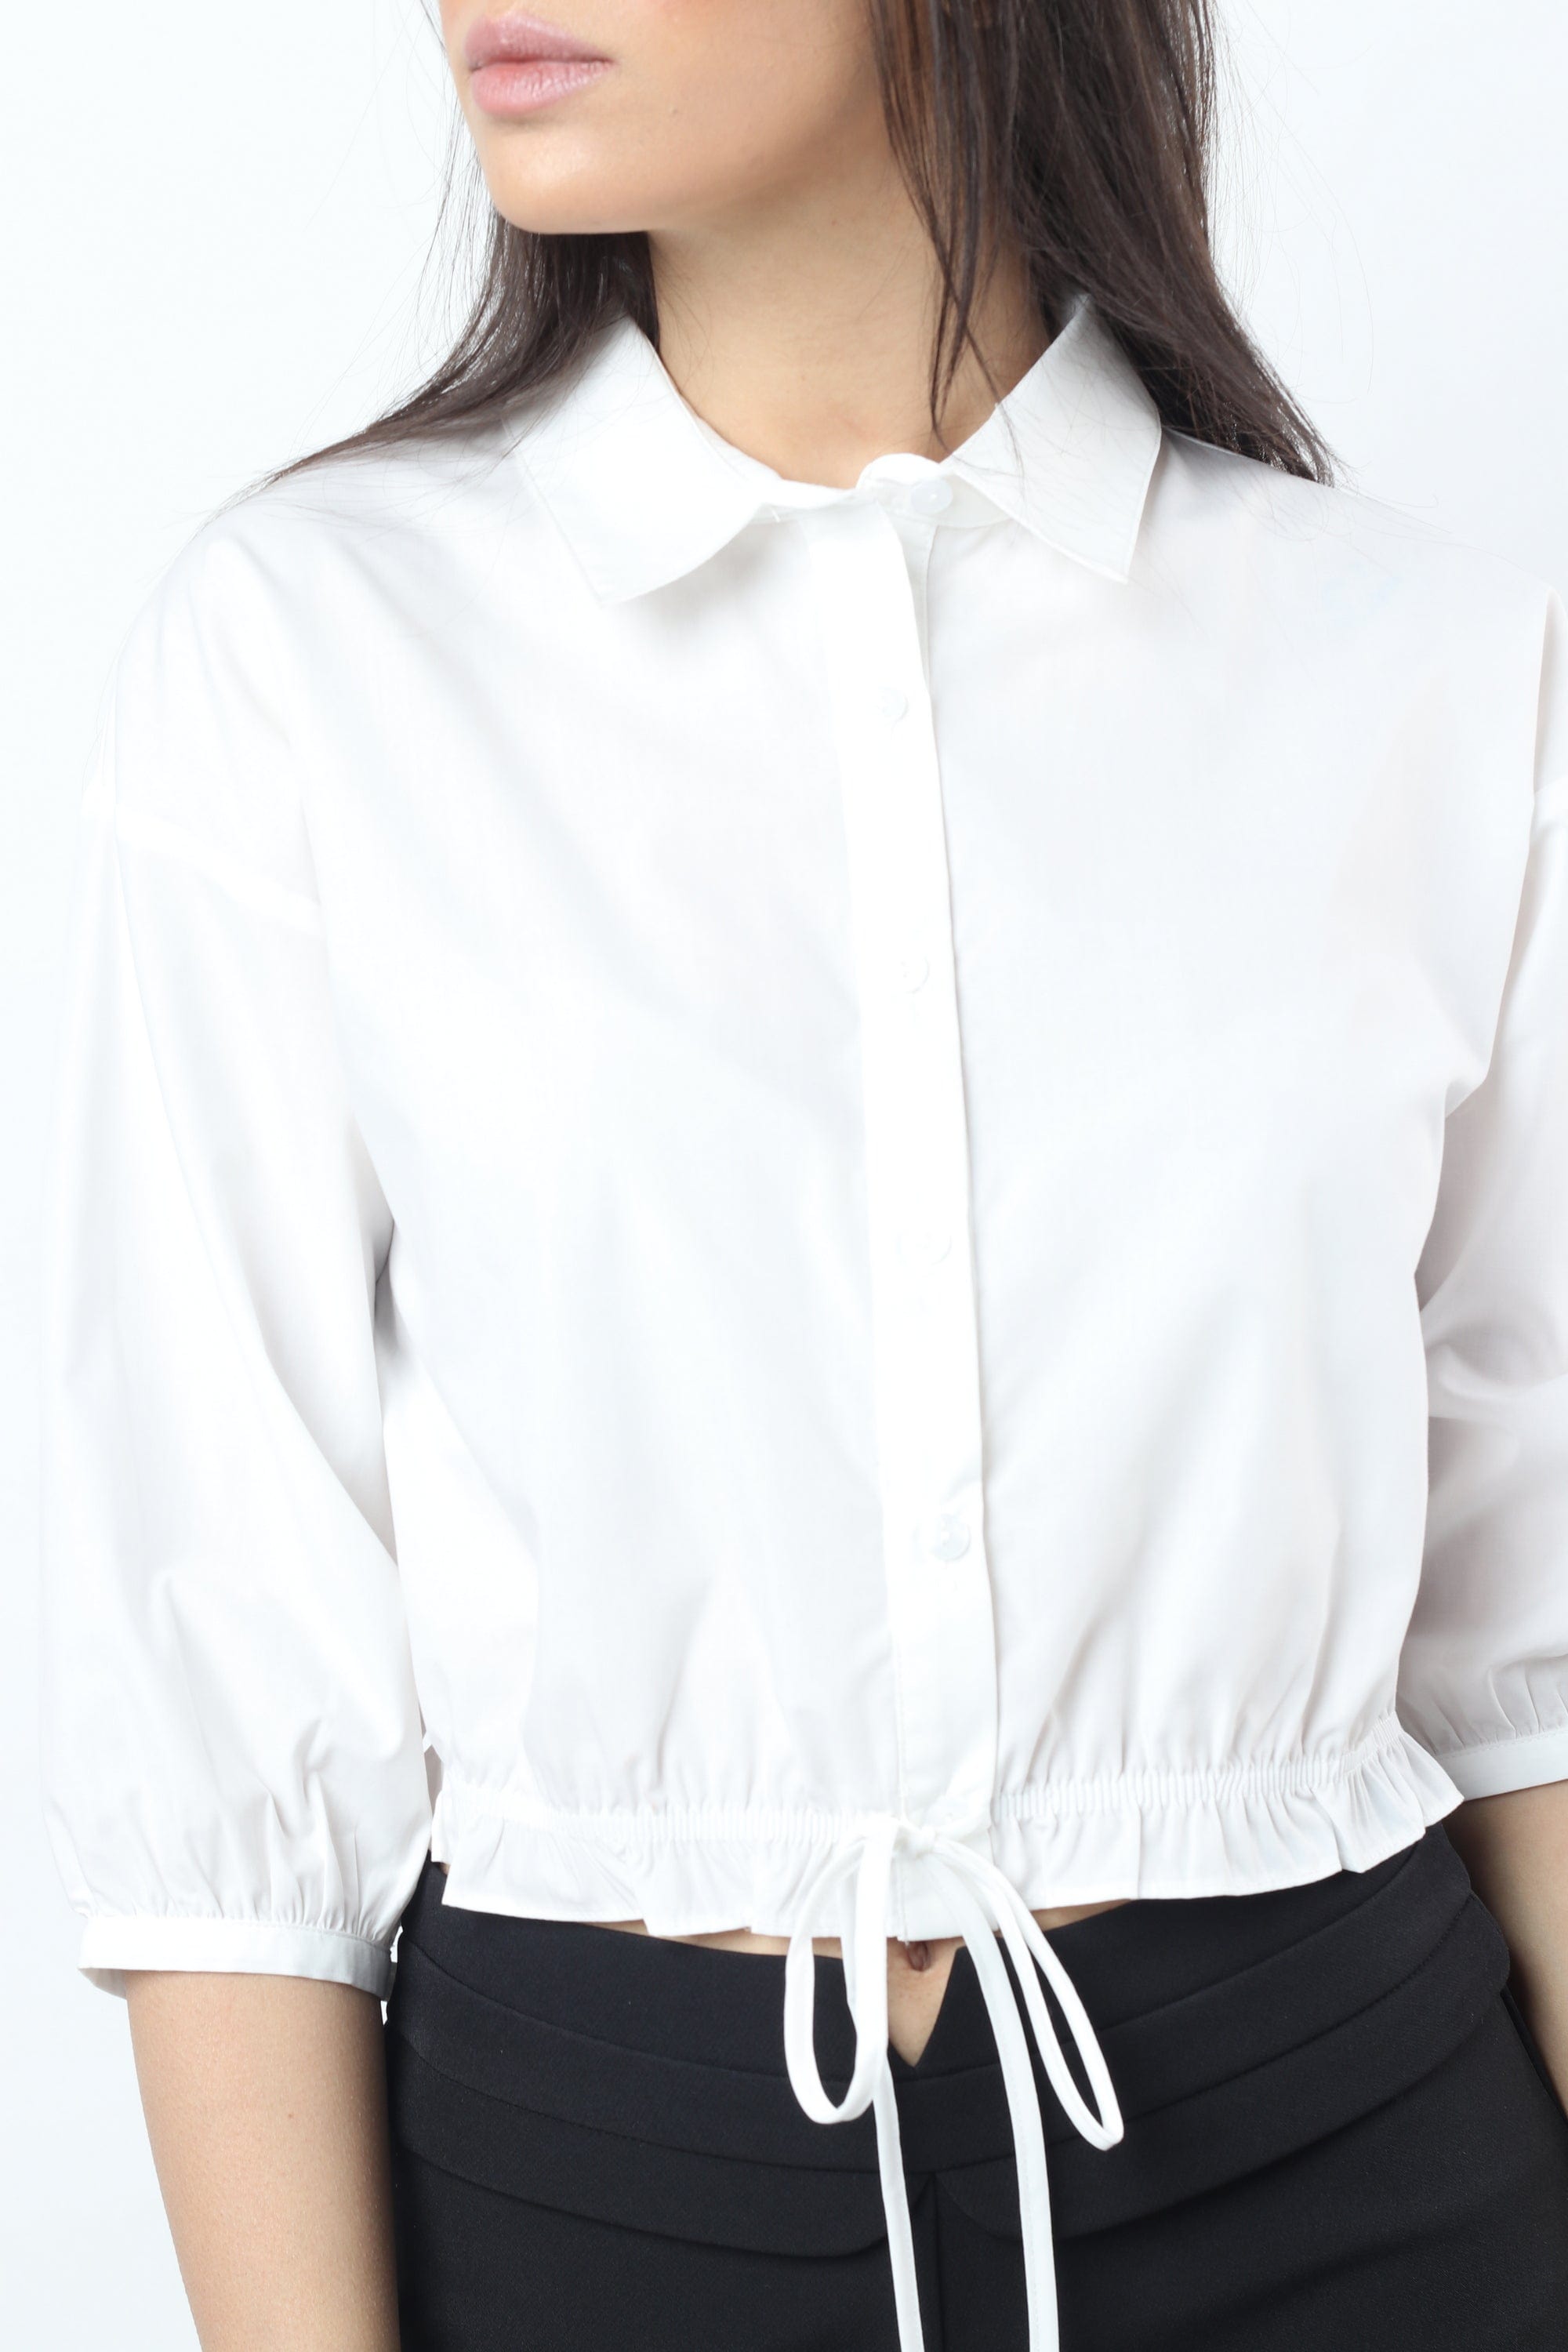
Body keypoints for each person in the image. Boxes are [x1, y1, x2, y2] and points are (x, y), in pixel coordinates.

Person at [38, 3, 1568, 2348]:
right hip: (590, 2192)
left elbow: (1530, 1647)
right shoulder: (310, 654)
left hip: (1353, 2161)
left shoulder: (1413, 668)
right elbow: (229, 1700)